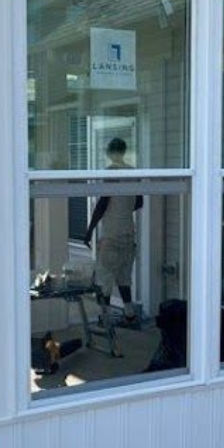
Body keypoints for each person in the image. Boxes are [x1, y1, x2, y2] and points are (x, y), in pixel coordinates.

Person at [83, 137, 142, 321]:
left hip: (111, 235)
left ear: (109, 153)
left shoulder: (110, 172)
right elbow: (139, 201)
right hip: (128, 234)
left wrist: (89, 229)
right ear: (124, 152)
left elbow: (103, 203)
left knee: (104, 279)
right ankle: (129, 312)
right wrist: (123, 209)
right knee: (124, 277)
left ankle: (105, 317)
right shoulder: (133, 173)